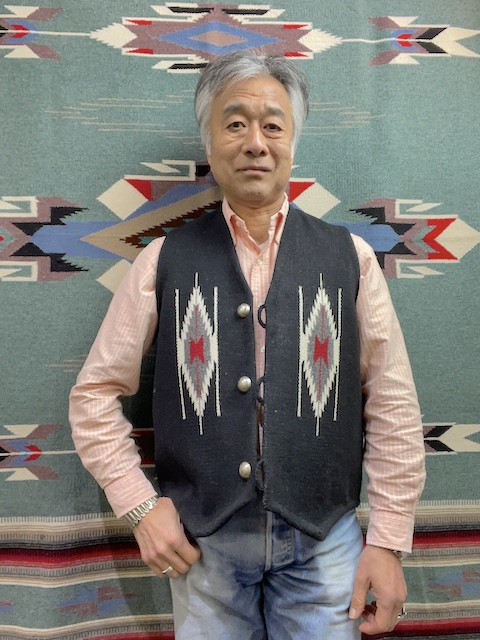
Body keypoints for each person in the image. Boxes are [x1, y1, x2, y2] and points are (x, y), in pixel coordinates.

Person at [69, 50, 426, 639]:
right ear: (208, 145)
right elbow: (94, 395)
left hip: (326, 539)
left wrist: (388, 541)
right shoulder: (162, 260)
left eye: (273, 125)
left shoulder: (352, 259)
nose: (255, 142)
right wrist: (140, 505)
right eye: (235, 123)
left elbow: (392, 402)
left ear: (293, 143)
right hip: (202, 543)